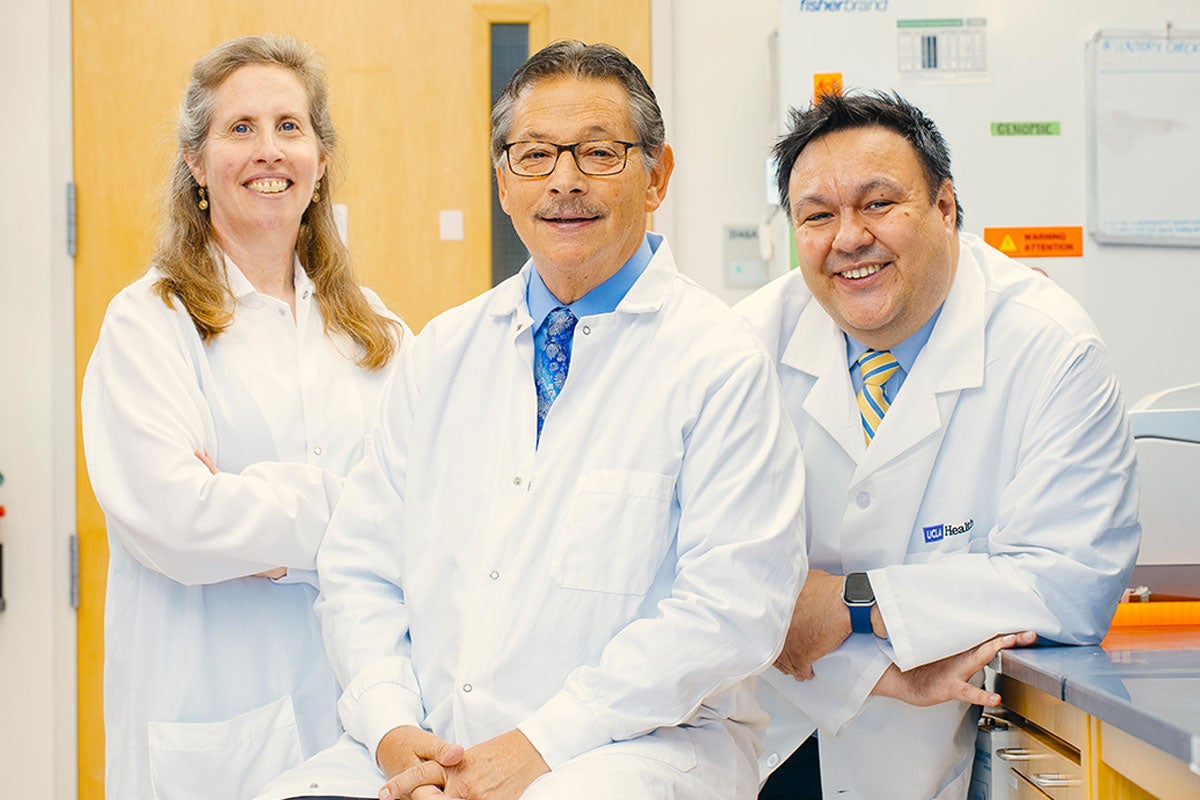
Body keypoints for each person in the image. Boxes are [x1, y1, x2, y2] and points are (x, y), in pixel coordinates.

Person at [253, 40, 808, 800]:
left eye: (600, 154)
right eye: (535, 155)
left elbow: (732, 608)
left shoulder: (718, 360)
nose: (565, 181)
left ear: (658, 176)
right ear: (504, 181)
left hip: (640, 748)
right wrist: (392, 731)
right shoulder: (444, 351)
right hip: (436, 744)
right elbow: (361, 570)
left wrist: (538, 745)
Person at [738, 91, 1141, 800]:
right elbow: (721, 585)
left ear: (945, 207)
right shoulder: (744, 344)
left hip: (939, 744)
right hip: (761, 736)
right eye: (818, 215)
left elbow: (1066, 583)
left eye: (879, 203)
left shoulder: (1050, 347)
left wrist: (850, 603)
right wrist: (878, 669)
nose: (849, 237)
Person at [82, 34, 405, 800]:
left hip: (362, 713)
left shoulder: (374, 332)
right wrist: (354, 515)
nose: (270, 150)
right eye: (240, 128)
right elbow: (179, 521)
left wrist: (254, 513)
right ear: (195, 162)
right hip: (210, 719)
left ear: (321, 160)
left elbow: (432, 501)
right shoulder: (148, 324)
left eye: (290, 127)